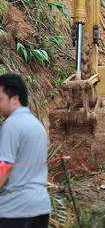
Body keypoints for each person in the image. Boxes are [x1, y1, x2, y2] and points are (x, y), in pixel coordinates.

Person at [0, 73, 51, 227]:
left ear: (15, 99)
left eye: (0, 99)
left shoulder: (12, 125)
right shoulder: (37, 125)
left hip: (15, 208)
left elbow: (4, 167)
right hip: (41, 206)